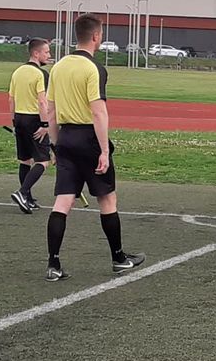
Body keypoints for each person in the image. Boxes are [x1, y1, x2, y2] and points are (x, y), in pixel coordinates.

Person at [43, 15, 143, 281]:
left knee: (62, 201)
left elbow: (50, 112)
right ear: (96, 36)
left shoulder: (58, 67)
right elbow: (98, 112)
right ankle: (118, 258)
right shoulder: (94, 68)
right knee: (107, 199)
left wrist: (55, 145)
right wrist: (104, 150)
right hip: (88, 138)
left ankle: (53, 264)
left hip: (65, 137)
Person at [7, 37, 54, 213]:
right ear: (36, 53)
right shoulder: (41, 74)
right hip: (34, 120)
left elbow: (11, 99)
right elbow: (42, 101)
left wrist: (14, 122)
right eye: (46, 52)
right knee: (43, 161)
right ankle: (22, 192)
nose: (49, 55)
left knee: (25, 160)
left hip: (19, 118)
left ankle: (27, 198)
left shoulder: (17, 72)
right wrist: (45, 124)